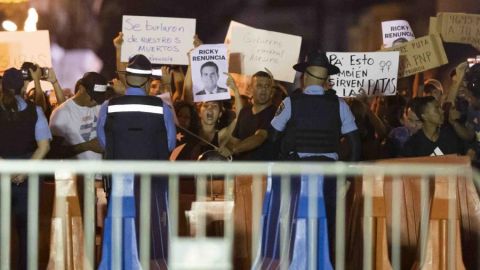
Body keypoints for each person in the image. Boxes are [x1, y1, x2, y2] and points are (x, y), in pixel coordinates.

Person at [260, 51, 360, 269]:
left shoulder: (291, 102)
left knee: (293, 222)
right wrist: (348, 178)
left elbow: (273, 136)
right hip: (329, 175)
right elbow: (355, 143)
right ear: (326, 80)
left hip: (297, 173)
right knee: (329, 225)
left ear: (305, 76)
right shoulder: (339, 104)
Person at [96, 54, 176, 269]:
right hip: (154, 184)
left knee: (121, 232)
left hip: (120, 182)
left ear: (126, 79)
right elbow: (169, 144)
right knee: (154, 236)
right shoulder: (162, 108)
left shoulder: (108, 107)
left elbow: (104, 142)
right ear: (149, 81)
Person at [0, 67, 51, 270]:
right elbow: (44, 146)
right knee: (27, 230)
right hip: (28, 177)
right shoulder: (34, 110)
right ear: (23, 86)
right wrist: (24, 171)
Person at [219, 71, 277, 161]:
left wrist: (233, 149)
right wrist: (222, 149)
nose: (264, 90)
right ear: (250, 89)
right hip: (240, 170)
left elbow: (259, 137)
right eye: (259, 85)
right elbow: (234, 140)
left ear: (271, 91)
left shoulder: (275, 113)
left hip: (261, 171)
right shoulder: (244, 111)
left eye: (267, 86)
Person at [49, 72, 107, 159]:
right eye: (93, 97)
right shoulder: (61, 113)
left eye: (99, 98)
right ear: (81, 89)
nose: (96, 102)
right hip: (74, 171)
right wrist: (86, 146)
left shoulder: (99, 106)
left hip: (98, 171)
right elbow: (53, 152)